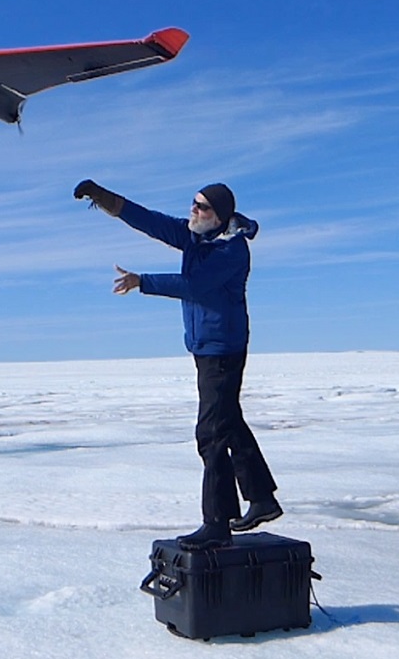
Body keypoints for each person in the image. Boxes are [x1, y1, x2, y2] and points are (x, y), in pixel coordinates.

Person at [73, 179, 282, 550]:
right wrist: (103, 197)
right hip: (207, 347)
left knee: (211, 433)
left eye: (202, 208)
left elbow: (195, 285)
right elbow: (150, 221)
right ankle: (262, 498)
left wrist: (142, 281)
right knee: (228, 421)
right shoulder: (197, 236)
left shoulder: (231, 251)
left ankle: (217, 523)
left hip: (222, 349)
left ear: (220, 216)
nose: (193, 211)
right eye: (193, 204)